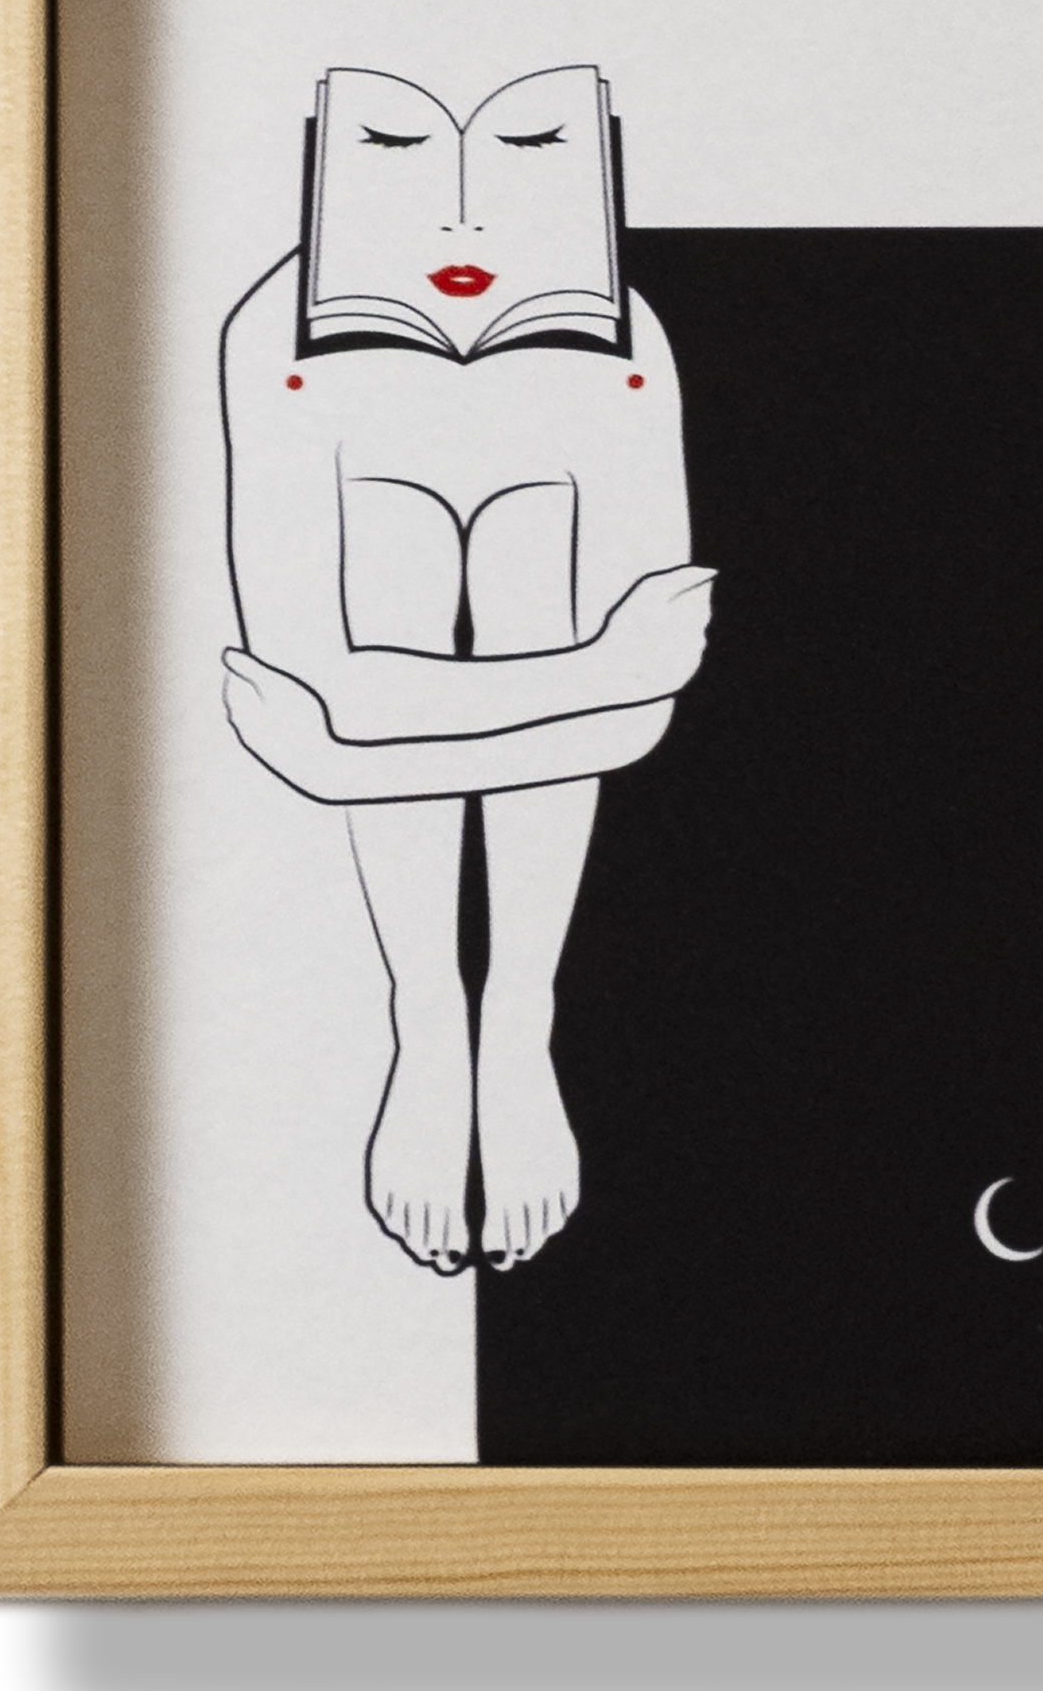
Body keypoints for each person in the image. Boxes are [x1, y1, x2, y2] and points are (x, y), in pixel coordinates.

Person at [219, 65, 713, 1272]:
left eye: (525, 166)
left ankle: (520, 1014)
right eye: (395, 163)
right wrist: (596, 672)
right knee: (394, 544)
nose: (461, 232)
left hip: (410, 726)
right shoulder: (272, 343)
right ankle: (427, 1018)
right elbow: (315, 678)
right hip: (500, 687)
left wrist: (337, 758)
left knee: (529, 544)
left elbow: (645, 713)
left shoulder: (626, 341)